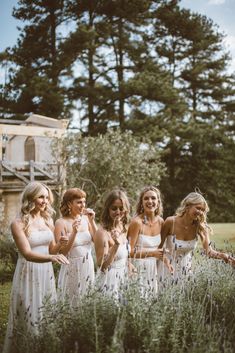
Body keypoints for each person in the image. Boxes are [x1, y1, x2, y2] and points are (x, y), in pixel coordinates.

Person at [3, 182, 69, 353]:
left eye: (47, 197)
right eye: (41, 196)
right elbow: (27, 253)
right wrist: (52, 257)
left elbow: (52, 248)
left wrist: (60, 245)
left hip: (45, 271)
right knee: (28, 310)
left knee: (46, 310)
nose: (45, 201)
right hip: (28, 271)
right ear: (30, 198)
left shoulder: (48, 220)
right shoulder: (18, 223)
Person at [159, 192, 235, 281]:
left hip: (185, 270)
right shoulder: (170, 222)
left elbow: (209, 252)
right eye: (198, 208)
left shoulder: (201, 227)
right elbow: (158, 247)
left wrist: (224, 256)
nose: (200, 212)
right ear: (187, 206)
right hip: (165, 268)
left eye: (203, 210)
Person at [54, 188, 97, 307]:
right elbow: (62, 252)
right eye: (79, 202)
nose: (83, 205)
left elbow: (97, 241)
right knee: (72, 302)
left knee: (87, 300)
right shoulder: (60, 223)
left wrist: (92, 221)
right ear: (69, 204)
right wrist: (74, 233)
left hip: (88, 264)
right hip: (71, 267)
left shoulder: (85, 219)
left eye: (84, 202)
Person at [128, 186, 173, 297]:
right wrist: (152, 253)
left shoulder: (161, 221)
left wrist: (166, 261)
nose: (150, 201)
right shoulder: (136, 223)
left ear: (158, 202)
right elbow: (128, 252)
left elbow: (158, 249)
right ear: (141, 202)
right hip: (137, 268)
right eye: (146, 198)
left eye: (153, 198)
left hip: (152, 269)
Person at [94, 189, 132, 299]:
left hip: (123, 277)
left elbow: (125, 253)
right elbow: (102, 266)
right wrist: (115, 245)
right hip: (109, 280)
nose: (118, 212)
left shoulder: (124, 227)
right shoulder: (102, 232)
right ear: (107, 209)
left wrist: (129, 264)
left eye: (121, 208)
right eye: (114, 208)